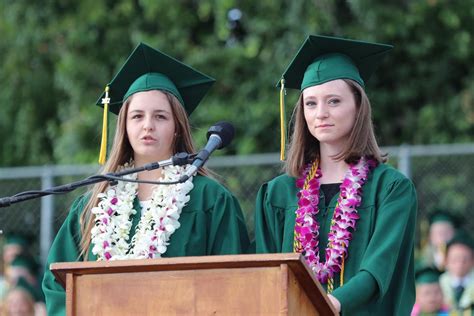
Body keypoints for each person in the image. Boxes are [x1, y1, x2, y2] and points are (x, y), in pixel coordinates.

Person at [42, 43, 250, 315]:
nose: (148, 125)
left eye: (160, 116)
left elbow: (235, 285)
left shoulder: (210, 200)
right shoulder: (92, 206)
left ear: (177, 127)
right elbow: (58, 287)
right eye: (137, 116)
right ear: (124, 127)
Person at [254, 35, 418, 315]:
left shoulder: (390, 188)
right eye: (311, 103)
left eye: (333, 101)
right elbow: (266, 275)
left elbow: (379, 267)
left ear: (358, 107)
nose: (321, 113)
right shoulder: (278, 194)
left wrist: (329, 304)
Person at [439, 230, 474, 312]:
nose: (460, 264)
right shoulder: (439, 283)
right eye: (455, 259)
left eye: (465, 259)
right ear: (446, 260)